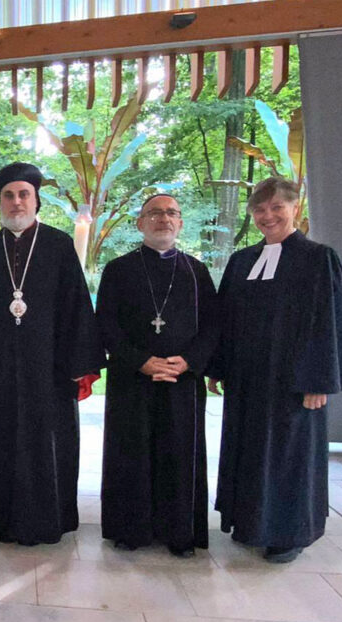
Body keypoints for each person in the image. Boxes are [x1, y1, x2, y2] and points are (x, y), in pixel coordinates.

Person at [209, 177, 342, 563]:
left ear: (296, 207)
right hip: (246, 381)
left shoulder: (318, 258)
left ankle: (287, 534)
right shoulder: (243, 260)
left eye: (277, 207)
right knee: (248, 450)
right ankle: (248, 522)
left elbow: (328, 321)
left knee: (288, 456)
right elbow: (225, 318)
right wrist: (218, 366)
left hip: (294, 384)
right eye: (260, 210)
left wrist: (319, 379)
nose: (268, 216)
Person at [0, 162, 104, 546]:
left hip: (50, 371)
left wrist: (79, 366)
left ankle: (51, 520)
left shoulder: (59, 245)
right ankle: (5, 521)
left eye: (23, 194)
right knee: (3, 445)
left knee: (50, 444)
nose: (16, 202)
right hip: (1, 374)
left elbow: (77, 307)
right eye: (9, 196)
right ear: (1, 202)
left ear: (36, 199)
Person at [96, 194, 220, 557]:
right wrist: (141, 360)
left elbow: (213, 326)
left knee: (179, 455)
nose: (163, 219)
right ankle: (129, 529)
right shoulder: (118, 270)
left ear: (180, 223)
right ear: (140, 223)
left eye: (171, 213)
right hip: (132, 379)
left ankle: (179, 533)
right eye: (154, 213)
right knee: (130, 453)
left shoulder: (197, 272)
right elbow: (105, 324)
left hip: (182, 381)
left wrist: (188, 361)